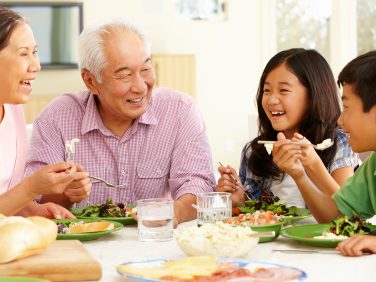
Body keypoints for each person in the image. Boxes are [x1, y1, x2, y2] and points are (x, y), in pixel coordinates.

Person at [25, 19, 216, 225]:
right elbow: (33, 204)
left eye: (146, 69)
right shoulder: (55, 119)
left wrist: (173, 214)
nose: (141, 87)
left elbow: (198, 184)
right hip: (83, 245)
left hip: (154, 239)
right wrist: (67, 195)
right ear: (90, 81)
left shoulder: (180, 110)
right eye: (125, 75)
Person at [216, 48, 359, 208]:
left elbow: (346, 210)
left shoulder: (338, 143)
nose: (271, 100)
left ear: (313, 95)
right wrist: (240, 202)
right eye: (267, 90)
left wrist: (311, 166)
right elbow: (255, 219)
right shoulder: (254, 151)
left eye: (283, 90)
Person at [273, 50, 376, 256]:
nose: (340, 119)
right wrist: (299, 174)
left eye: (346, 107)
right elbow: (338, 218)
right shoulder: (372, 165)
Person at [0, 6, 88, 218]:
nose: (36, 65)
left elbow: (6, 196)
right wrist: (31, 187)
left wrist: (34, 210)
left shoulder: (13, 109)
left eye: (35, 52)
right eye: (24, 53)